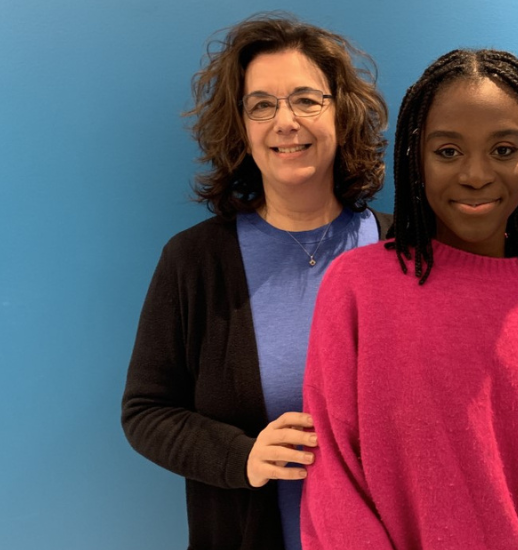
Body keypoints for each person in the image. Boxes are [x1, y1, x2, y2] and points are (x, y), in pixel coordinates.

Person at [301, 49, 518, 550]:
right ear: (416, 159)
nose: (476, 174)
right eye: (448, 152)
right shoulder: (355, 288)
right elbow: (333, 477)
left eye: (503, 150)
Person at [121, 13, 390, 550]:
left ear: (342, 113)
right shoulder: (193, 261)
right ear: (241, 128)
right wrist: (241, 457)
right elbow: (145, 412)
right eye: (262, 105)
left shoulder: (405, 251)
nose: (285, 121)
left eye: (307, 99)